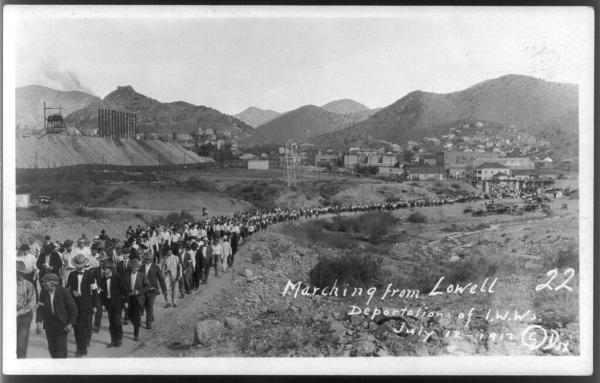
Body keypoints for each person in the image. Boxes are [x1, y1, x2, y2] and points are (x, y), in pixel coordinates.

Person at [35, 273, 78, 358]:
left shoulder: (63, 291)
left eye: (45, 282)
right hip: (49, 324)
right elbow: (40, 308)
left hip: (62, 323)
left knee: (60, 348)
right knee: (52, 347)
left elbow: (73, 309)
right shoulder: (43, 292)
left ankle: (62, 367)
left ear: (52, 283)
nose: (43, 284)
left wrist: (70, 323)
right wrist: (39, 322)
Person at [65, 254, 99, 357]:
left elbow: (95, 291)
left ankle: (83, 347)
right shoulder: (71, 275)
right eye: (77, 265)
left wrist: (95, 305)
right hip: (75, 305)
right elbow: (67, 290)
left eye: (80, 265)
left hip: (87, 305)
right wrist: (72, 293)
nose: (79, 267)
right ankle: (81, 349)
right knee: (77, 328)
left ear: (84, 265)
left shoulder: (90, 275)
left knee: (86, 327)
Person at [98, 261, 128, 347]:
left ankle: (119, 339)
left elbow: (125, 290)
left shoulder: (117, 277)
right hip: (109, 304)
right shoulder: (103, 279)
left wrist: (126, 301)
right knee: (111, 324)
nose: (104, 270)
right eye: (104, 269)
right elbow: (102, 294)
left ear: (110, 269)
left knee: (117, 322)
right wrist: (103, 304)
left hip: (118, 303)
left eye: (106, 269)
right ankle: (113, 340)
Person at [123, 259, 151, 341]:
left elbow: (148, 286)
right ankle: (136, 324)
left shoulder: (142, 275)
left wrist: (138, 291)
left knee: (136, 315)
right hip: (129, 298)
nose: (134, 269)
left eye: (136, 267)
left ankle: (136, 334)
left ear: (138, 267)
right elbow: (123, 286)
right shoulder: (126, 275)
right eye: (132, 267)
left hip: (138, 299)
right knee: (129, 314)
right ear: (130, 267)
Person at [141, 252, 167, 329]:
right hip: (143, 290)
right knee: (146, 305)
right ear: (144, 259)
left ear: (152, 260)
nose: (148, 260)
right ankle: (151, 316)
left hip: (153, 290)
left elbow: (161, 279)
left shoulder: (156, 267)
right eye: (146, 259)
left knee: (149, 305)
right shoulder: (141, 267)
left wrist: (164, 289)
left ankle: (148, 323)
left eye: (150, 259)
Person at [17, 260, 36, 358]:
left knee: (21, 341)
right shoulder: (6, 283)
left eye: (21, 273)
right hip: (9, 314)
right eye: (17, 272)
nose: (19, 275)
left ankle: (21, 362)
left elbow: (32, 302)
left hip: (24, 314)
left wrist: (20, 312)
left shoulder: (28, 285)